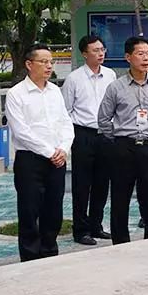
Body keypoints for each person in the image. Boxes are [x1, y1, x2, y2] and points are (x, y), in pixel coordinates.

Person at [97, 37, 148, 245]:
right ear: (128, 57)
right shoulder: (116, 87)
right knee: (120, 198)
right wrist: (118, 140)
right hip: (124, 148)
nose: (146, 58)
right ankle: (121, 244)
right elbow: (104, 119)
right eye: (140, 54)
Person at [4, 44, 74, 262]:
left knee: (53, 209)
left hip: (57, 159)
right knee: (29, 209)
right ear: (29, 64)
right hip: (30, 160)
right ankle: (30, 256)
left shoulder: (55, 91)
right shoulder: (16, 94)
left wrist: (63, 149)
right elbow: (21, 131)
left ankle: (50, 251)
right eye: (43, 61)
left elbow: (66, 122)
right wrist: (50, 151)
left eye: (50, 62)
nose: (49, 66)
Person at [62, 35, 117, 245]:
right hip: (82, 134)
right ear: (84, 53)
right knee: (82, 185)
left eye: (102, 49)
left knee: (102, 184)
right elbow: (65, 111)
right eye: (95, 50)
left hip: (105, 134)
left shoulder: (111, 75)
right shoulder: (74, 79)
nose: (100, 53)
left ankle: (97, 226)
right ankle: (80, 230)